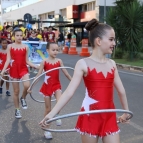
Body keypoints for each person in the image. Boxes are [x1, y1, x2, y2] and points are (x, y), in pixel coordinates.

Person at [39, 19, 130, 143]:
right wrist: (51, 114)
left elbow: (121, 91)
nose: (114, 43)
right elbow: (69, 92)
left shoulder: (112, 64)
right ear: (98, 41)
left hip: (109, 116)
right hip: (89, 115)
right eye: (111, 39)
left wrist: (126, 112)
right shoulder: (83, 64)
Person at [29, 42, 72, 139]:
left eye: (57, 50)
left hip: (56, 85)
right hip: (47, 86)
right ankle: (47, 129)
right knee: (48, 109)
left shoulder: (59, 61)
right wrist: (31, 87)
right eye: (53, 50)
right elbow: (38, 76)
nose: (56, 51)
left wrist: (74, 81)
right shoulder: (44, 62)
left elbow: (66, 73)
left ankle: (56, 114)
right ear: (47, 51)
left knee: (60, 102)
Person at [0, 29, 39, 119]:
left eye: (21, 35)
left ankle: (23, 98)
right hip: (14, 70)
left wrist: (36, 66)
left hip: (23, 69)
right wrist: (2, 71)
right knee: (16, 91)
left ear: (23, 36)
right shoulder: (10, 46)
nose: (19, 37)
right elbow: (8, 60)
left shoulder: (26, 47)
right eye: (17, 35)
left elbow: (27, 61)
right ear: (14, 36)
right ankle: (17, 109)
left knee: (27, 85)